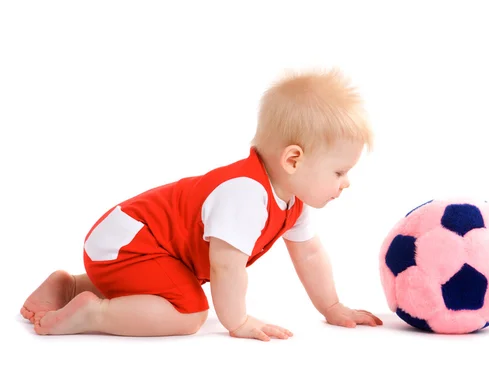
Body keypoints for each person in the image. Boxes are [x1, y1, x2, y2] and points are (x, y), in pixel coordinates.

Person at [20, 68, 383, 341]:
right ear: (293, 160)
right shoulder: (246, 194)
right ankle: (92, 315)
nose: (346, 182)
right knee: (188, 312)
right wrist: (237, 321)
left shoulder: (293, 201)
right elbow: (226, 268)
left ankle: (69, 287)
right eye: (339, 171)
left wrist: (332, 307)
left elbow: (310, 255)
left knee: (169, 286)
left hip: (128, 245)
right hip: (129, 244)